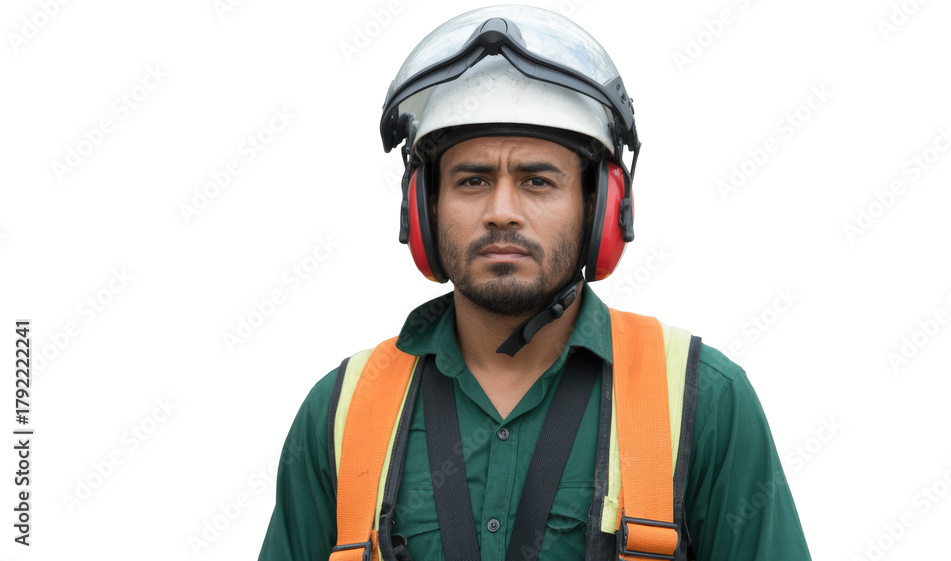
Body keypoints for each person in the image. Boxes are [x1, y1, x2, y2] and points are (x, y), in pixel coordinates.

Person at [258, 5, 811, 560]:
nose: (502, 212)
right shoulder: (340, 414)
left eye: (538, 181)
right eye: (472, 180)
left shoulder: (705, 402)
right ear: (422, 210)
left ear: (599, 208)